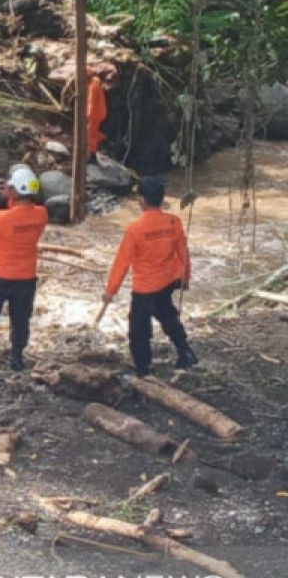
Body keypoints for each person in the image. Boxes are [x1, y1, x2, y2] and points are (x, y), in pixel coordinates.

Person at [103, 176, 198, 376]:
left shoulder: (135, 229)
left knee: (138, 330)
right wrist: (185, 276)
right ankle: (185, 352)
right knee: (167, 315)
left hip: (145, 288)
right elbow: (183, 252)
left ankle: (143, 369)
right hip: (167, 281)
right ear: (161, 199)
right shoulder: (174, 222)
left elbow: (122, 263)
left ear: (142, 200)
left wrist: (110, 290)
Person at [0, 166, 49, 372]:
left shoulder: (2, 219)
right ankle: (16, 358)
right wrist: (11, 197)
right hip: (26, 278)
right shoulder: (41, 215)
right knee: (21, 319)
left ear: (14, 191)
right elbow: (23, 211)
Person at [87, 65, 112, 162]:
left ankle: (92, 155)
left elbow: (92, 102)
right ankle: (105, 140)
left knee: (90, 133)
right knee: (93, 131)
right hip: (99, 112)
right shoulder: (94, 82)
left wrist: (88, 115)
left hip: (95, 114)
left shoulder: (94, 85)